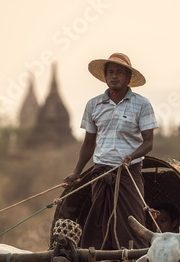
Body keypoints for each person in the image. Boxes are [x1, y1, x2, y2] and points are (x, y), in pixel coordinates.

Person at [64, 53, 158, 250]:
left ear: (128, 78)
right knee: (98, 224)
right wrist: (76, 172)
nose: (114, 76)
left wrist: (132, 156)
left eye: (119, 73)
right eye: (111, 72)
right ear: (105, 77)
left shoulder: (142, 104)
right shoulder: (93, 105)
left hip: (129, 172)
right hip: (101, 172)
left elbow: (148, 142)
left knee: (134, 222)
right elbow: (89, 143)